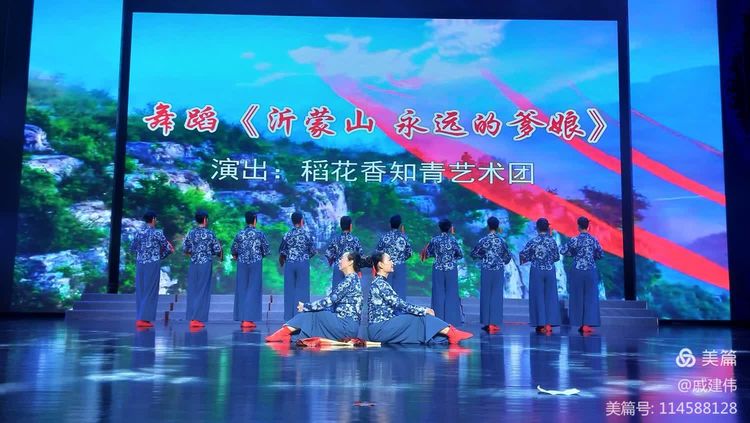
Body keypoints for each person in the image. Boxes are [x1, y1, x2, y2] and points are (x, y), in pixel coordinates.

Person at [367, 251, 472, 344]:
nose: (392, 262)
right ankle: (451, 332)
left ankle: (449, 333)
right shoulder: (380, 283)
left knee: (416, 321)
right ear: (380, 264)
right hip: (380, 329)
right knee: (419, 317)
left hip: (384, 326)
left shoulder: (381, 282)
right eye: (389, 260)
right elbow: (400, 304)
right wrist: (424, 310)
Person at [265, 251, 364, 343]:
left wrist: (306, 306)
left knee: (312, 313)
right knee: (314, 323)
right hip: (348, 326)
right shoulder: (353, 279)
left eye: (342, 258)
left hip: (345, 325)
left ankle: (284, 331)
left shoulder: (349, 281)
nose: (339, 260)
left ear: (351, 262)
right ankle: (289, 337)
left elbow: (328, 301)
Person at [130, 210, 174, 328]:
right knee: (151, 290)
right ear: (153, 219)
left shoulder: (139, 233)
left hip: (140, 263)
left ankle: (140, 317)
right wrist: (159, 256)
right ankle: (144, 319)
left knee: (141, 290)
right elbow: (168, 249)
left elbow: (132, 248)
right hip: (152, 263)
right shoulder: (157, 233)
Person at [561, 216, 603, 334]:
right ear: (588, 227)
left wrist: (573, 254)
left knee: (577, 296)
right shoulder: (593, 240)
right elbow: (600, 254)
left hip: (577, 270)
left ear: (578, 226)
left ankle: (578, 321)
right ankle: (587, 324)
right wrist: (591, 257)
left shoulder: (574, 240)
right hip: (590, 270)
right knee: (591, 297)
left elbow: (563, 251)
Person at [470, 216, 512, 334]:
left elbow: (474, 254)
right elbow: (508, 257)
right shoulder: (502, 241)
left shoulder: (483, 240)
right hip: (498, 269)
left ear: (488, 226)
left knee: (486, 295)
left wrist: (483, 256)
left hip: (486, 269)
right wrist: (501, 260)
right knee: (496, 295)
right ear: (498, 227)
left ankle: (487, 322)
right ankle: (494, 323)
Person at [519, 218, 561, 334]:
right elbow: (556, 257)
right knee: (551, 296)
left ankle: (540, 324)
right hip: (549, 270)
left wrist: (533, 258)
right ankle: (549, 324)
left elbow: (523, 255)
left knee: (537, 296)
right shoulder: (552, 241)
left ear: (537, 228)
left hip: (537, 270)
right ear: (547, 228)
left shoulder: (533, 241)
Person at [183, 210, 223, 328]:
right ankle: (197, 319)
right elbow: (217, 250)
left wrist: (193, 254)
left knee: (193, 290)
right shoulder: (210, 234)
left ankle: (192, 317)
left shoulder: (191, 233)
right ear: (205, 219)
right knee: (203, 290)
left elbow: (185, 249)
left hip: (193, 264)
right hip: (205, 264)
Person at [231, 211, 270, 329]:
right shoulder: (260, 234)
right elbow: (266, 251)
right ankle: (248, 320)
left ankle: (243, 319)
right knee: (253, 289)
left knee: (242, 289)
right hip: (255, 263)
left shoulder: (239, 234)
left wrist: (238, 256)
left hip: (242, 263)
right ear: (255, 220)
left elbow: (233, 251)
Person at [421, 219, 463, 326]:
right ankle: (452, 321)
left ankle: (438, 321)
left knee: (438, 293)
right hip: (451, 269)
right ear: (449, 228)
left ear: (439, 227)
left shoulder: (434, 240)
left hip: (438, 269)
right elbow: (460, 254)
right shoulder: (453, 240)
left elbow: (428, 254)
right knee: (451, 293)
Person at [279, 211, 317, 320]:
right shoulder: (307, 234)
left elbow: (282, 250)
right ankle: (301, 318)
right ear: (301, 221)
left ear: (292, 221)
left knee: (289, 290)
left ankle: (289, 318)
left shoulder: (287, 234)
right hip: (302, 263)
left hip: (290, 263)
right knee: (302, 290)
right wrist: (305, 256)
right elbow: (313, 251)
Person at [376, 215, 413, 297]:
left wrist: (385, 261)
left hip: (386, 266)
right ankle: (399, 305)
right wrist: (401, 259)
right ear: (400, 225)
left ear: (389, 224)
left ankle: (388, 305)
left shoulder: (384, 237)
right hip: (400, 266)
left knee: (387, 289)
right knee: (400, 290)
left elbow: (378, 253)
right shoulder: (404, 237)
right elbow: (409, 252)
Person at [324, 216, 363, 289]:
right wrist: (359, 270)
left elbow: (328, 255)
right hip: (351, 269)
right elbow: (360, 256)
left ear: (341, 226)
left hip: (338, 268)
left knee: (337, 291)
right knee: (350, 291)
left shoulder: (335, 239)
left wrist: (332, 263)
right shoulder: (355, 240)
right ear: (350, 226)